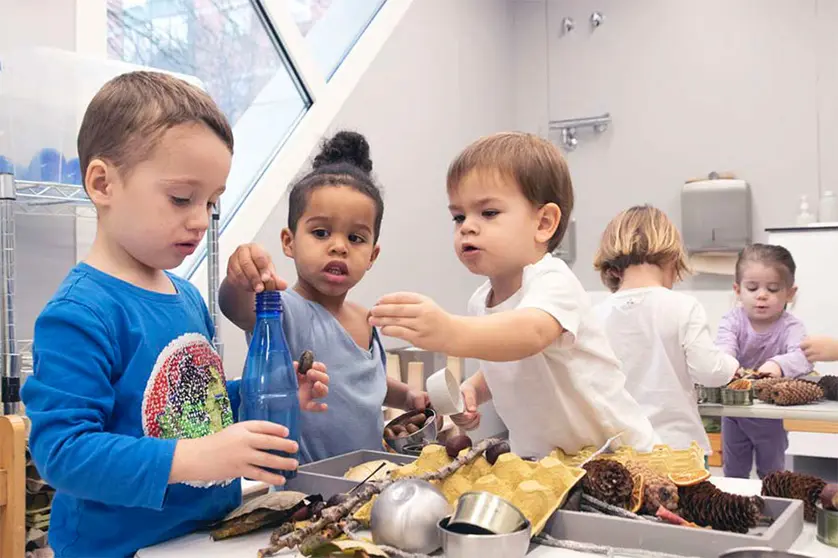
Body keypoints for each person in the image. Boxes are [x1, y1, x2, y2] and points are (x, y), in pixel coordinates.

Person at [20, 71, 328, 557]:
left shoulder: (186, 298)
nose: (200, 218)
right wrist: (195, 458)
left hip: (203, 535)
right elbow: (63, 452)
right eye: (182, 198)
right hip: (117, 547)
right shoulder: (79, 313)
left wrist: (257, 396)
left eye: (211, 202)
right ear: (103, 183)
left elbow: (190, 412)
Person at [368, 132, 659, 458]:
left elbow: (530, 334)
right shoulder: (480, 302)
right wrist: (474, 389)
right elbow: (513, 364)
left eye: (488, 213)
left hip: (619, 456)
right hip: (547, 464)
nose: (467, 227)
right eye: (459, 216)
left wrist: (447, 331)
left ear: (544, 223)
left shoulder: (553, 281)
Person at [219, 131, 427, 464]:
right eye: (320, 232)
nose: (339, 246)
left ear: (372, 256)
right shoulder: (285, 308)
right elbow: (238, 309)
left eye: (356, 237)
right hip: (305, 493)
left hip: (368, 481)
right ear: (289, 242)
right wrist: (240, 277)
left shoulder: (366, 319)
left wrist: (408, 396)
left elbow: (364, 383)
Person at [592, 205, 739, 454]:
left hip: (622, 452)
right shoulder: (683, 307)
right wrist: (731, 363)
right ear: (671, 255)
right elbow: (709, 372)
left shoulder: (597, 314)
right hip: (678, 449)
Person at [716, 243, 812, 479]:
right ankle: (735, 512)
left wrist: (778, 365)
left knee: (773, 474)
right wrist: (728, 363)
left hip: (770, 416)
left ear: (790, 292)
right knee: (733, 472)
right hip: (734, 412)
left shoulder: (792, 327)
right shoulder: (732, 321)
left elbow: (804, 358)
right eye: (752, 287)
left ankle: (773, 512)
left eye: (772, 288)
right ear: (737, 290)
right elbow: (723, 349)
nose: (761, 295)